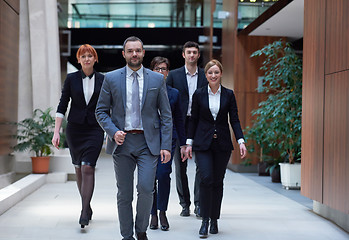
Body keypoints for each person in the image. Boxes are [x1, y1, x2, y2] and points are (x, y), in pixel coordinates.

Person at [95, 36, 172, 240]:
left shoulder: (156, 79)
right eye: (130, 51)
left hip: (149, 143)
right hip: (122, 143)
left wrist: (166, 145)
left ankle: (141, 230)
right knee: (125, 193)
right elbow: (101, 111)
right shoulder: (110, 78)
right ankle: (127, 235)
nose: (134, 54)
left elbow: (165, 114)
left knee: (147, 188)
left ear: (143, 52)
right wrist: (113, 131)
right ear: (124, 54)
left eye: (138, 50)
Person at [186, 59, 247, 238]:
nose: (213, 75)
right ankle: (204, 220)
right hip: (202, 143)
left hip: (222, 145)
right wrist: (189, 143)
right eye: (210, 72)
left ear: (221, 74)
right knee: (206, 178)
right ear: (206, 75)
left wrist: (241, 140)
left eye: (216, 72)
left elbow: (234, 119)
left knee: (218, 181)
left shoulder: (228, 94)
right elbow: (193, 120)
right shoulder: (198, 94)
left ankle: (214, 219)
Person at [52, 44, 104, 228]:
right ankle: (87, 206)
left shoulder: (103, 80)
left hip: (95, 130)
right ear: (79, 59)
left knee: (88, 167)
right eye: (84, 56)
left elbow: (107, 107)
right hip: (75, 130)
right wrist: (56, 131)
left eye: (90, 56)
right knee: (79, 169)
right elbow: (62, 105)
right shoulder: (71, 79)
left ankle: (83, 212)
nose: (87, 59)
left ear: (95, 59)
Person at [166, 41, 207, 217]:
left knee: (201, 165)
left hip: (199, 124)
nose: (191, 55)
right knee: (180, 165)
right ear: (183, 55)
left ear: (198, 55)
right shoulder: (174, 75)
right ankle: (185, 204)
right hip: (179, 124)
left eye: (194, 52)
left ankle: (199, 204)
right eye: (188, 52)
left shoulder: (206, 75)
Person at [149, 57, 187, 231]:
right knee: (149, 178)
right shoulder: (145, 91)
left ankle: (162, 211)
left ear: (168, 73)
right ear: (151, 71)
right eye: (157, 69)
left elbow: (179, 119)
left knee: (163, 175)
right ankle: (152, 214)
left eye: (163, 69)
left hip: (168, 140)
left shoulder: (174, 93)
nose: (160, 72)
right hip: (148, 141)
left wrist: (183, 144)